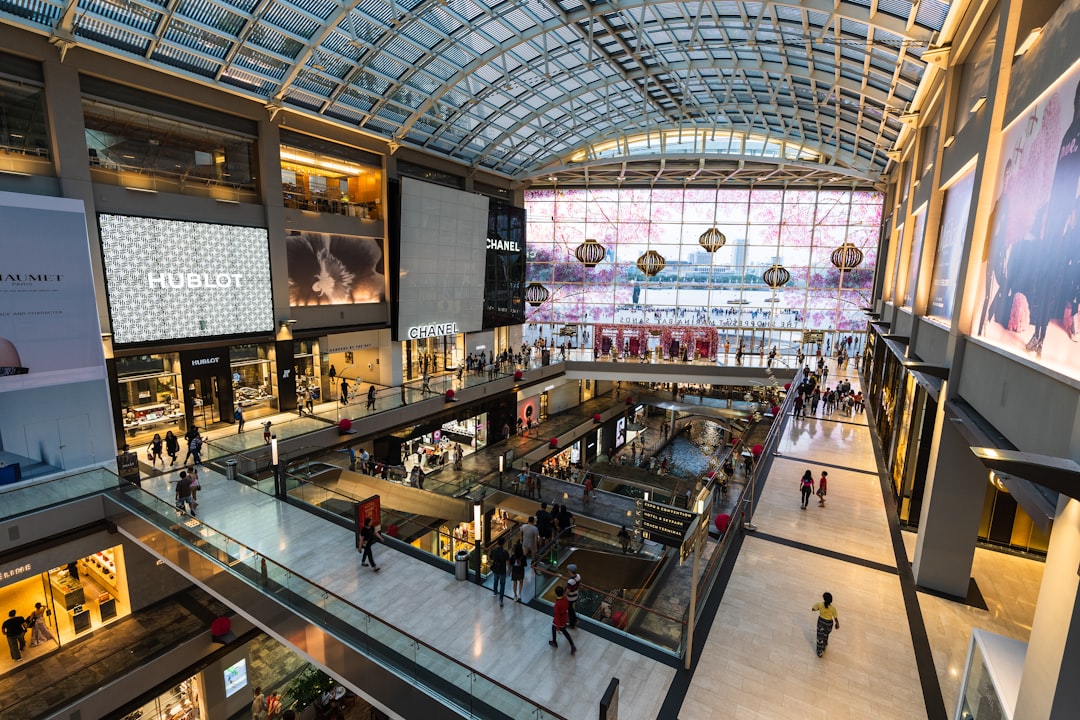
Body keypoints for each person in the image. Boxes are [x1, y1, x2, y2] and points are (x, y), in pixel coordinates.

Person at [548, 586, 576, 655]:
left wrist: (557, 627)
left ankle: (554, 642)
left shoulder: (557, 604)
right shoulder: (565, 599)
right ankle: (572, 645)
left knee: (554, 627)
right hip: (565, 617)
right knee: (565, 631)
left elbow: (557, 616)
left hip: (559, 620)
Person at [811, 592, 840, 657]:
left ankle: (819, 652)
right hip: (829, 624)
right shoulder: (833, 608)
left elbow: (813, 609)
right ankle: (824, 645)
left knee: (820, 637)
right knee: (825, 634)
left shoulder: (820, 605)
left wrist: (818, 609)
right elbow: (835, 617)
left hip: (821, 622)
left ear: (824, 599)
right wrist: (837, 624)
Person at [489, 537, 510, 606]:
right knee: (502, 585)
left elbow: (491, 558)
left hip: (495, 569)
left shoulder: (494, 550)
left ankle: (495, 592)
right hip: (502, 570)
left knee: (495, 580)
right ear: (503, 543)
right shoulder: (505, 552)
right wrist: (509, 570)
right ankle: (501, 600)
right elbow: (507, 562)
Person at [565, 563, 581, 629]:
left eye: (568, 570)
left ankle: (572, 623)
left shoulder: (571, 581)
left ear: (570, 571)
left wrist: (564, 596)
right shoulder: (578, 576)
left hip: (570, 598)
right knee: (571, 609)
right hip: (576, 595)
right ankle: (575, 620)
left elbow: (568, 590)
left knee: (570, 610)